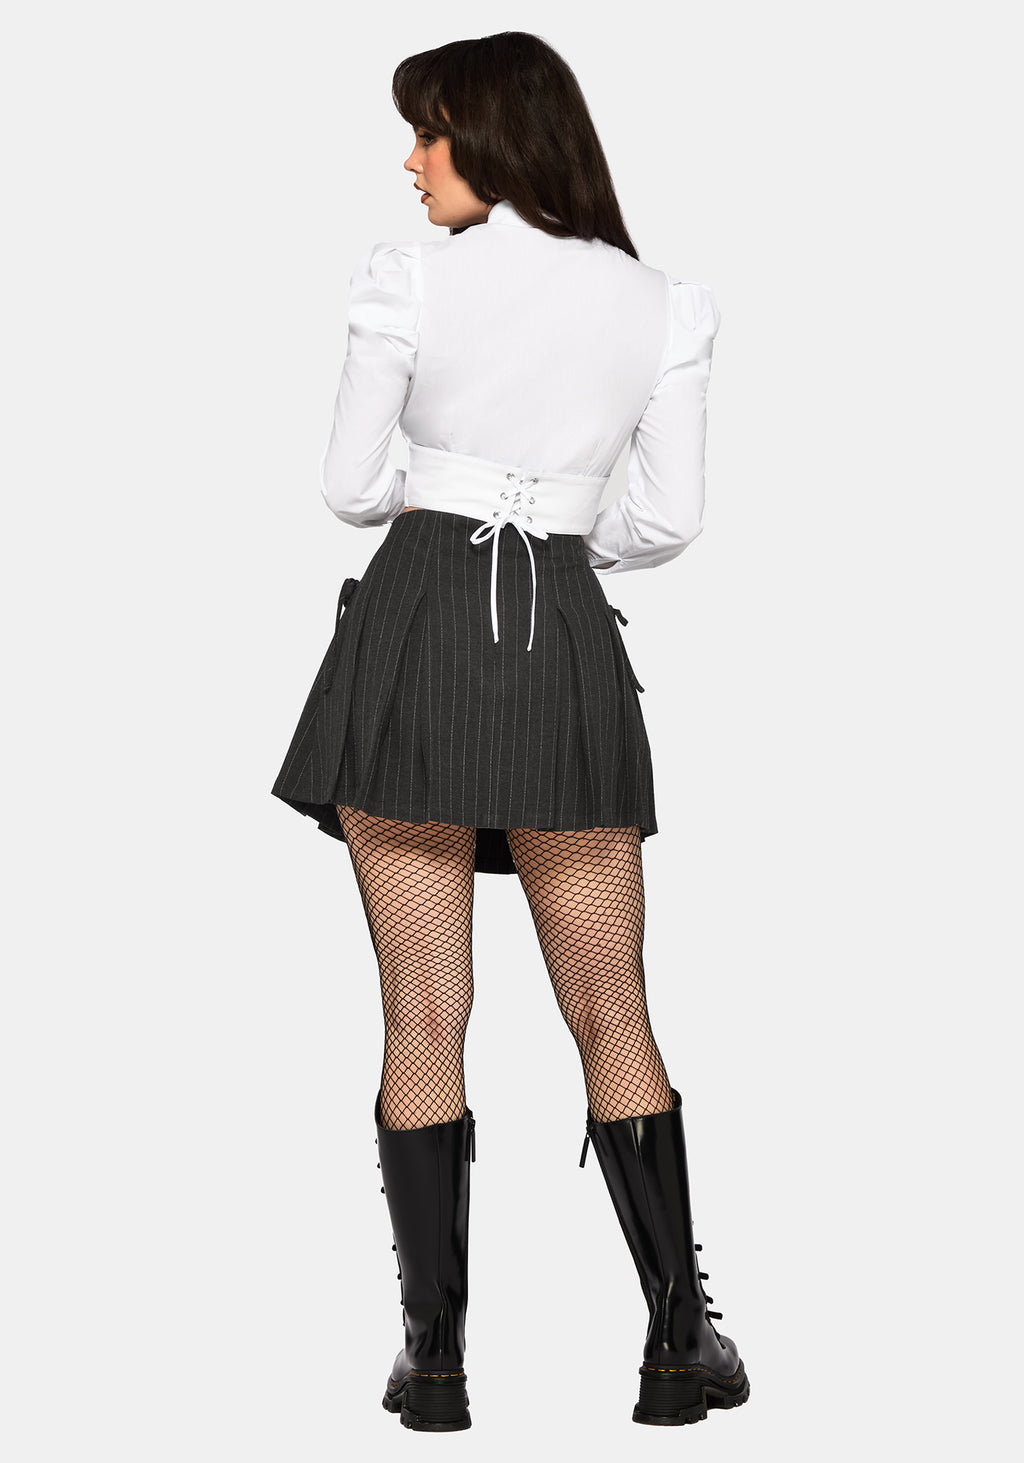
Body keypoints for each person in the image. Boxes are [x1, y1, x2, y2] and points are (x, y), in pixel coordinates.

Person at [271, 30, 749, 1433]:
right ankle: (677, 1344)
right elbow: (669, 517)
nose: (410, 160)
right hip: (561, 635)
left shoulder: (406, 278)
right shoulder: (663, 305)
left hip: (421, 626)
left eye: (428, 131)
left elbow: (349, 486)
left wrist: (452, 485)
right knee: (613, 1005)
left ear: (490, 134)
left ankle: (434, 1361)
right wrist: (556, 518)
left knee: (424, 1010)